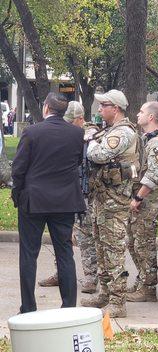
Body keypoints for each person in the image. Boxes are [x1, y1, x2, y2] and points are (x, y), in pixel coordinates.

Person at [11, 92, 86, 313]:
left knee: (28, 254)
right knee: (65, 253)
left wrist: (17, 192)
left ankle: (28, 307)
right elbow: (77, 162)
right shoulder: (76, 133)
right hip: (64, 201)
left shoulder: (32, 132)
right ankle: (69, 306)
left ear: (46, 108)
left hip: (34, 200)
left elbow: (19, 168)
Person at [81, 89, 140, 318]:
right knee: (102, 249)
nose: (99, 109)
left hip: (114, 203)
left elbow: (98, 155)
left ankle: (118, 302)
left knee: (114, 251)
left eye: (103, 105)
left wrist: (90, 141)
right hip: (102, 200)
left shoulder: (123, 132)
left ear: (115, 108)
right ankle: (105, 294)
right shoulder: (110, 130)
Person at [39, 101, 98, 294]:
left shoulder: (92, 134)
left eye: (71, 122)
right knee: (62, 236)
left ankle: (90, 277)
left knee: (86, 236)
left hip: (86, 194)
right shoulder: (67, 132)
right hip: (66, 192)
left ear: (80, 119)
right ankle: (61, 272)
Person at [127, 101, 158, 302]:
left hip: (146, 202)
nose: (138, 114)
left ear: (151, 117)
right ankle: (142, 279)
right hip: (139, 200)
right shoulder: (147, 139)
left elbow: (155, 175)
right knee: (134, 243)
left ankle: (148, 288)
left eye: (141, 111)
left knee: (144, 245)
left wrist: (138, 198)